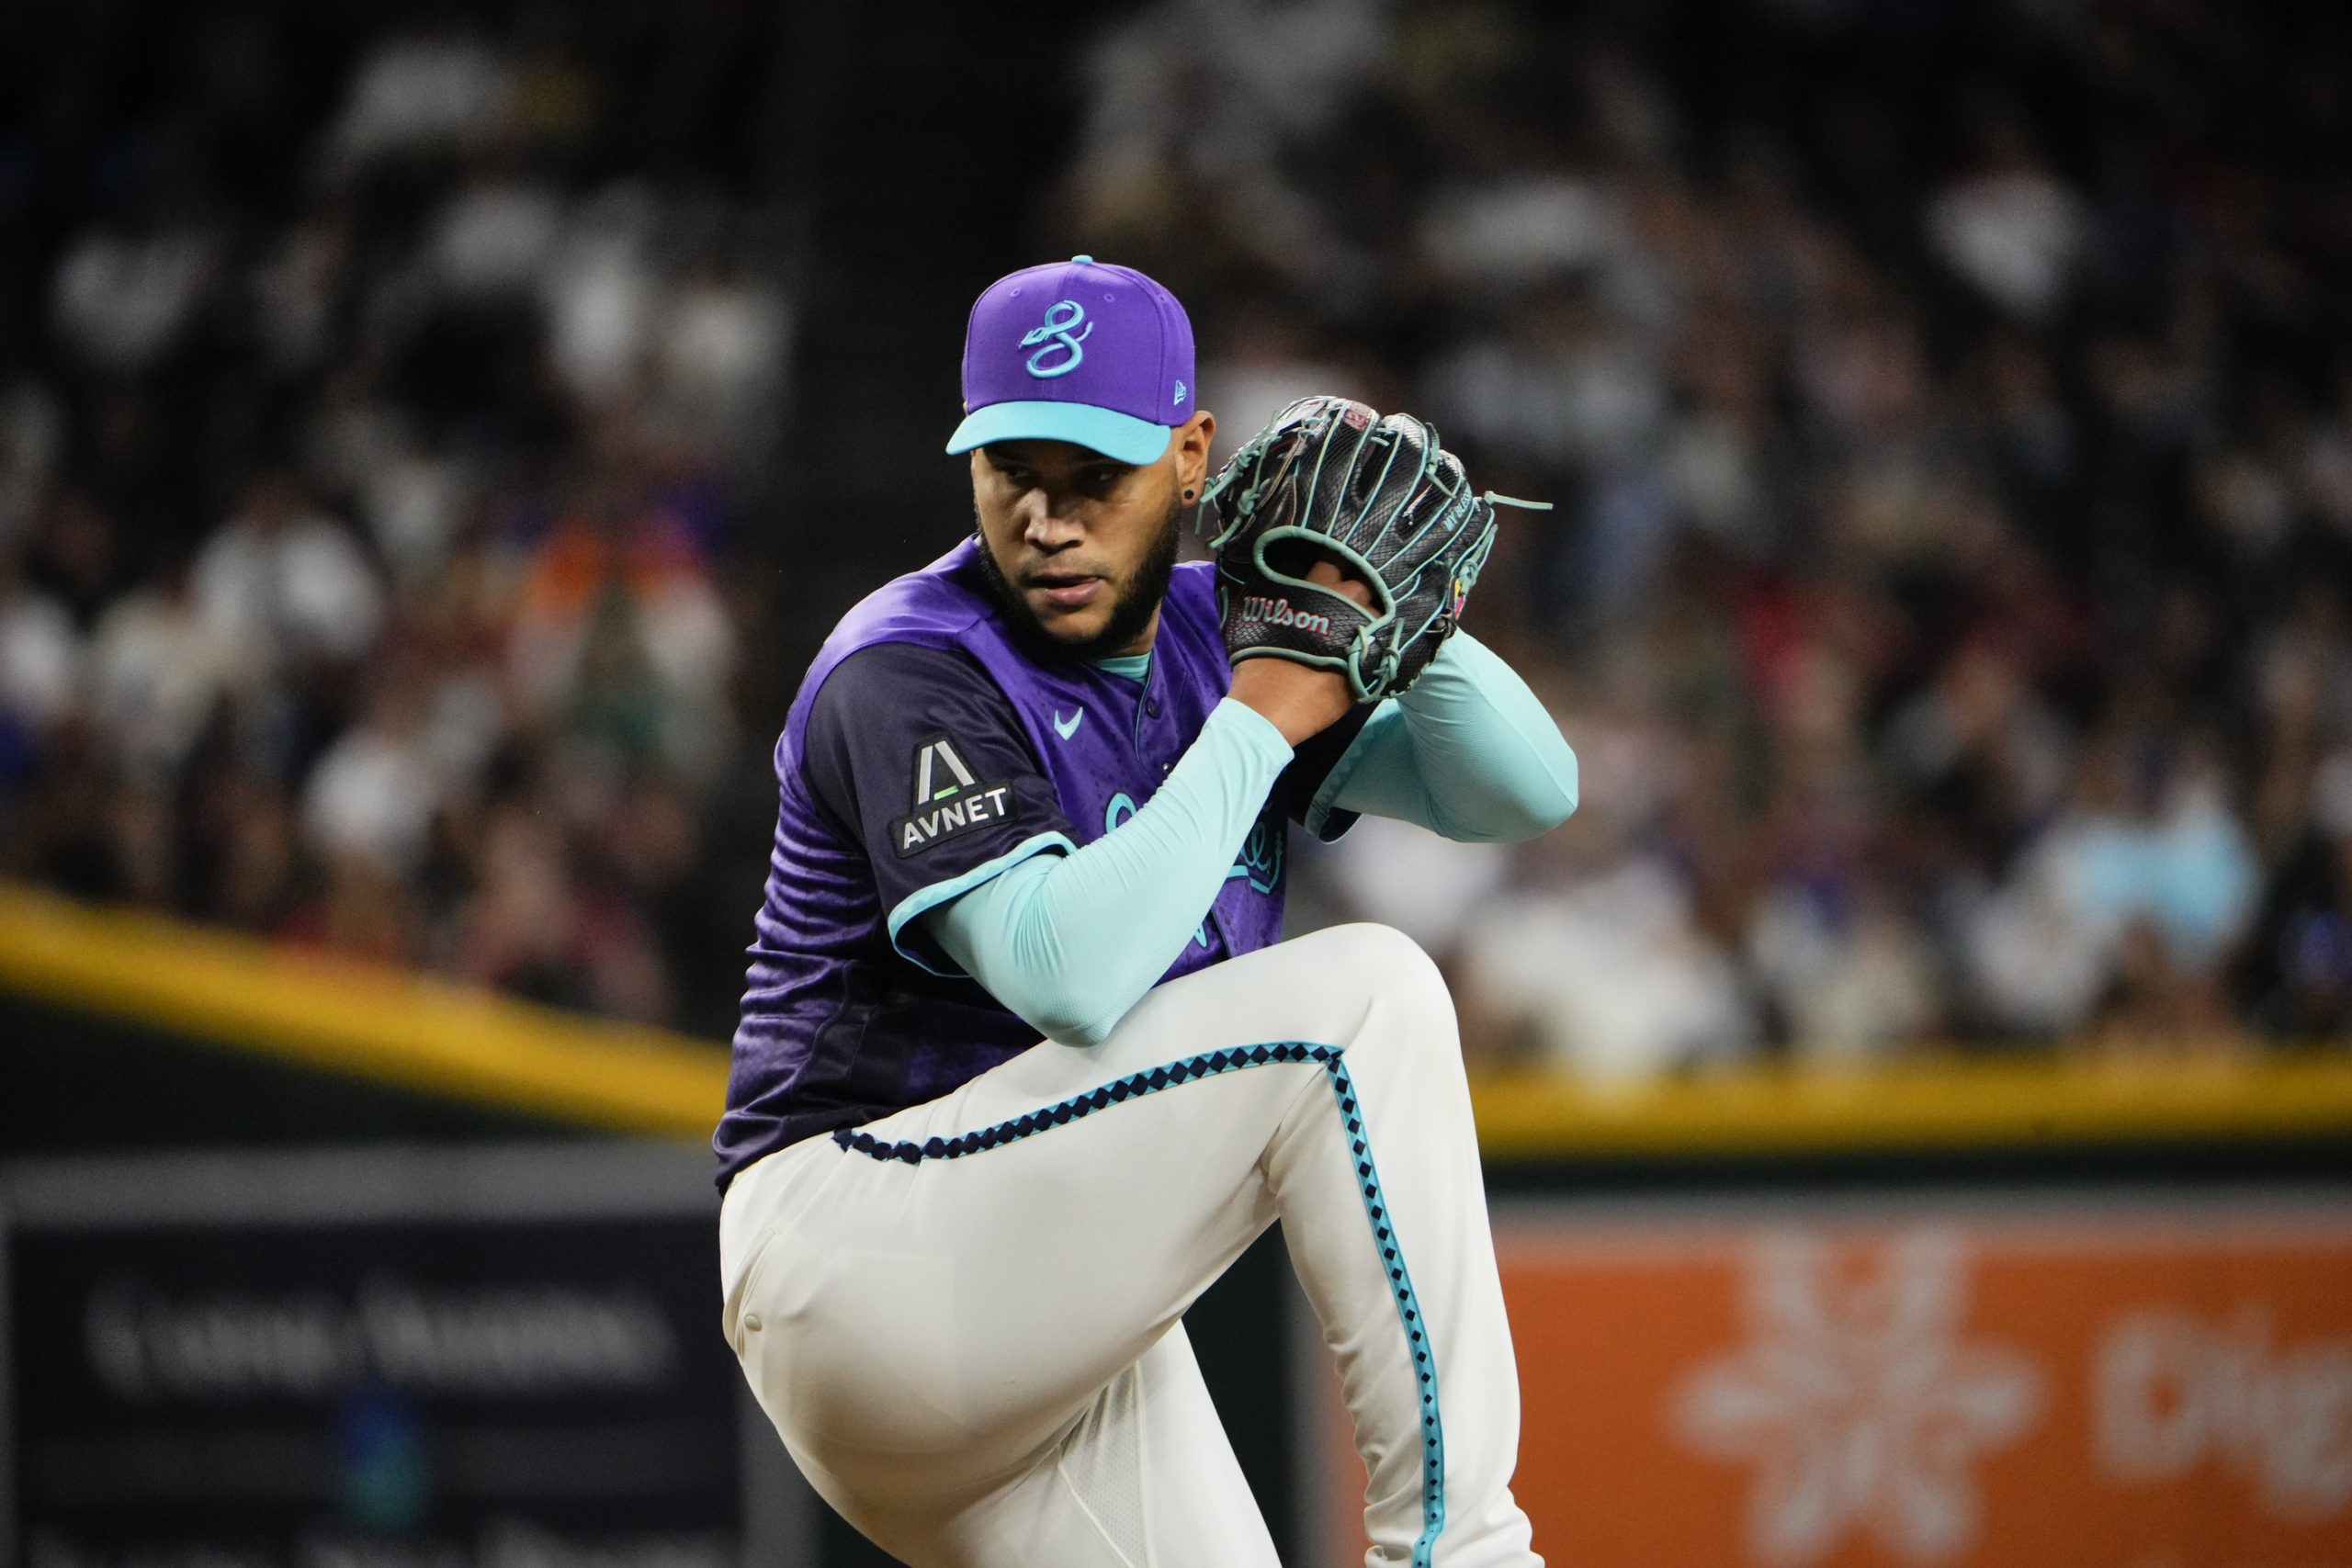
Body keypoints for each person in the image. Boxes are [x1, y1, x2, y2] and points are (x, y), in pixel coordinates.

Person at [716, 255, 1576, 1566]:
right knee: (1367, 1004)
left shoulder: (1219, 631)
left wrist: (1402, 609)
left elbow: (1523, 791)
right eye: (1014, 473)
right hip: (865, 1248)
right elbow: (1065, 974)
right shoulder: (906, 666)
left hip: (1043, 1333)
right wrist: (1263, 715)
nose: (1048, 521)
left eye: (1094, 478)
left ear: (1189, 459)